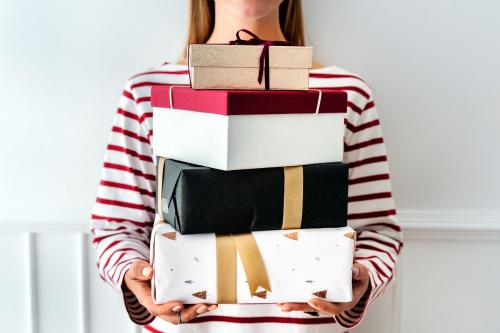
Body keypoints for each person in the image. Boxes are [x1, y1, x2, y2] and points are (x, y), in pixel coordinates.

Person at [91, 1, 403, 332]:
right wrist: (134, 275)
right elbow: (116, 226)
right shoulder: (148, 91)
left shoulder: (348, 92)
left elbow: (378, 231)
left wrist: (360, 276)